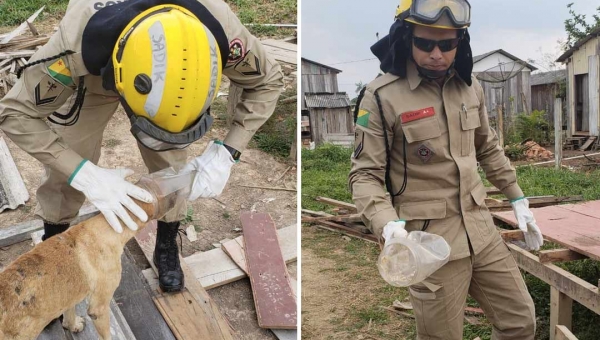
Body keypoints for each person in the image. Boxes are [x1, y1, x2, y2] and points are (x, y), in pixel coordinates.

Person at [0, 0, 283, 293]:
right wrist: (82, 172)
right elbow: (14, 112)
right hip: (96, 74)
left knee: (172, 168)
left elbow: (268, 79)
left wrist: (229, 150)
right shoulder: (77, 43)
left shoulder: (218, 24)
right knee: (69, 157)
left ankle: (167, 241)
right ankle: (54, 243)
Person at [349, 1, 542, 339]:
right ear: (407, 38)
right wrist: (386, 223)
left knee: (520, 321)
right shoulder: (380, 97)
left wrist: (517, 199)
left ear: (460, 43)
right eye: (425, 43)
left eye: (447, 44)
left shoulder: (470, 87)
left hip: (481, 230)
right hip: (429, 242)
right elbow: (365, 174)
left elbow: (488, 148)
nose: (437, 53)